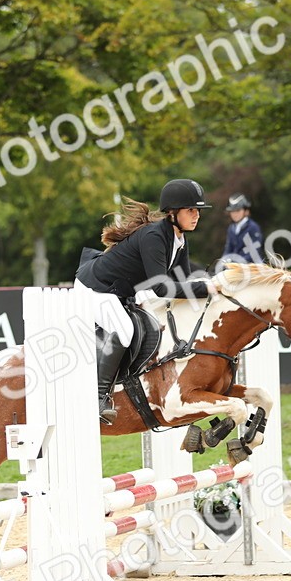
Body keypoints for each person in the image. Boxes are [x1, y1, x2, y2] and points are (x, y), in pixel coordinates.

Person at [76, 178, 215, 423]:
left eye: (198, 210)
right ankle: (98, 398)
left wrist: (211, 284)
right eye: (191, 210)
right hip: (96, 287)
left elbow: (182, 282)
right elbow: (161, 287)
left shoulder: (179, 240)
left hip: (120, 291)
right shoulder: (154, 236)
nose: (197, 216)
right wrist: (206, 287)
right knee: (124, 329)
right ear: (172, 212)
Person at [221, 194, 264, 263]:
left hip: (252, 264)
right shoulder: (231, 228)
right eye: (232, 211)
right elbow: (228, 248)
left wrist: (236, 262)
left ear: (246, 211)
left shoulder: (253, 227)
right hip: (235, 264)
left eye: (238, 211)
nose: (235, 214)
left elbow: (254, 251)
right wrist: (224, 260)